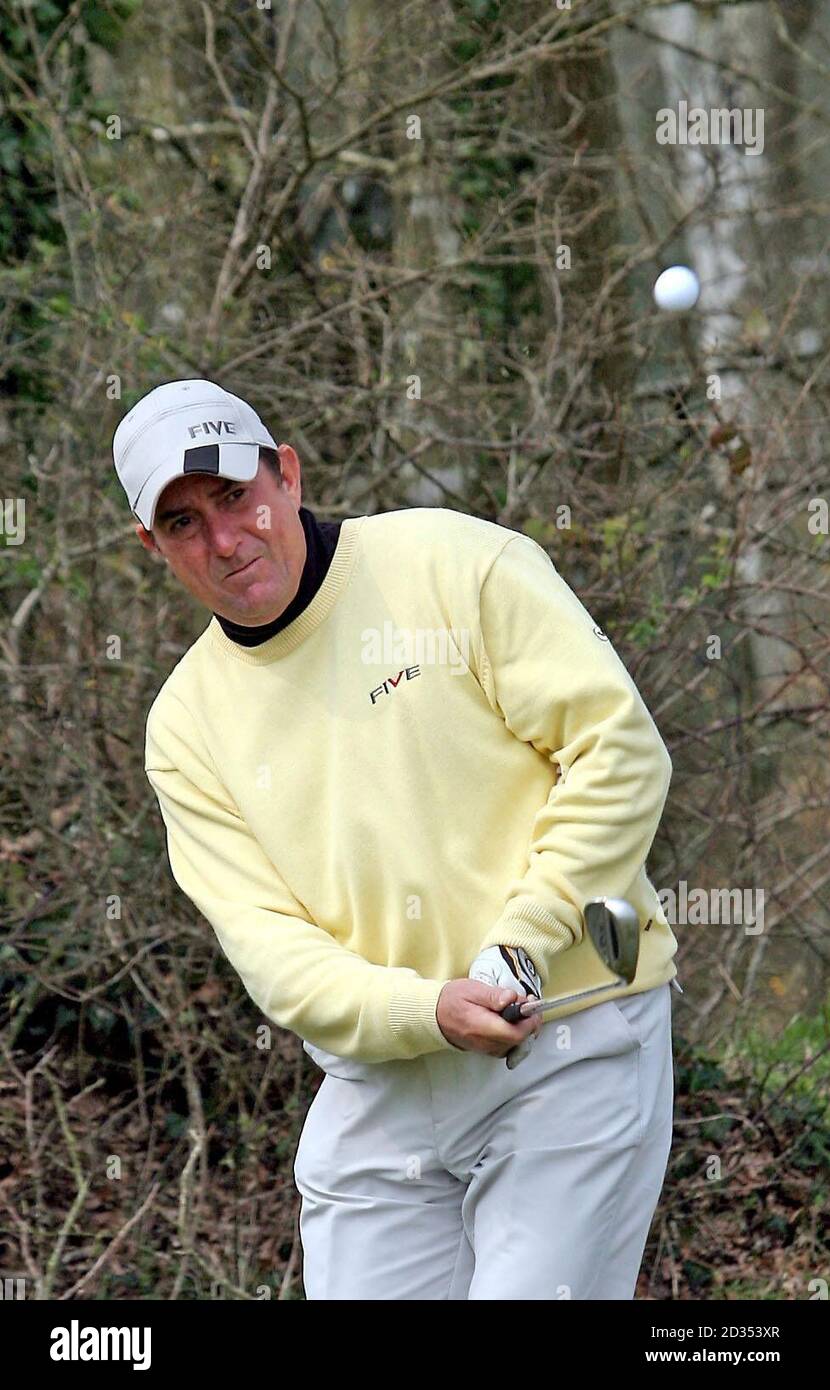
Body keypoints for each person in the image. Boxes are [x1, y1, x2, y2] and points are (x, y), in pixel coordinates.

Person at [113, 377, 681, 1301]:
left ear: (286, 476)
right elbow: (276, 955)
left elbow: (618, 754)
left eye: (234, 496)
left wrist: (520, 949)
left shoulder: (452, 563)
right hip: (381, 1086)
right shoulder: (184, 727)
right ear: (151, 545)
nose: (223, 540)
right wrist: (425, 1012)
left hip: (569, 1040)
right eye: (182, 523)